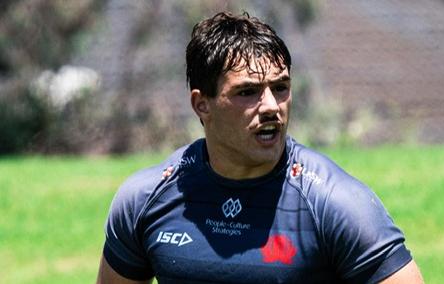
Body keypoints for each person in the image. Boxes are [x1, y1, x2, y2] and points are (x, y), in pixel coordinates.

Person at [96, 11, 424, 284]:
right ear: (202, 105)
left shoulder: (335, 204)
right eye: (247, 92)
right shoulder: (147, 198)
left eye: (280, 87)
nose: (271, 106)